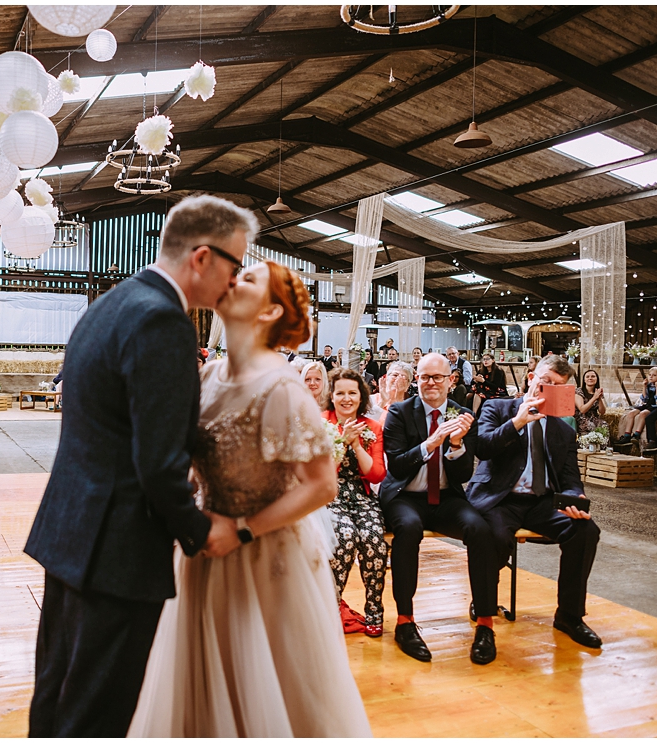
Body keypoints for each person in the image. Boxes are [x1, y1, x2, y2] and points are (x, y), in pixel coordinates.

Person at [24, 194, 250, 736]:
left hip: (72, 534)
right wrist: (201, 532)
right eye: (235, 265)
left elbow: (120, 423)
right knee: (96, 715)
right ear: (201, 257)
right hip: (118, 551)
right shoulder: (163, 322)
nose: (236, 282)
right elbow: (157, 464)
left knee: (56, 698)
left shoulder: (110, 304)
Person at [129, 260, 371, 737]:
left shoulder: (284, 390)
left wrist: (241, 530)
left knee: (269, 691)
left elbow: (322, 486)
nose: (234, 279)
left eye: (250, 279)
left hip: (263, 557)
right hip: (203, 550)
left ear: (269, 313)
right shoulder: (209, 376)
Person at [469, 354, 602, 649]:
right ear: (531, 379)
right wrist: (518, 421)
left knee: (585, 530)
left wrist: (575, 496)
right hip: (499, 498)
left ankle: (569, 615)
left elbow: (569, 476)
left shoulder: (563, 430)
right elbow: (482, 449)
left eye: (558, 385)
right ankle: (485, 620)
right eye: (545, 381)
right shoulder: (497, 408)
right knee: (492, 536)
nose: (549, 387)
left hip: (541, 502)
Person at [380, 353, 498, 665]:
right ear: (416, 380)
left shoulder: (461, 415)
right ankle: (405, 621)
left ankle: (485, 623)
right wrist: (430, 444)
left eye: (438, 377)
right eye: (425, 377)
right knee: (407, 529)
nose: (431, 383)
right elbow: (396, 465)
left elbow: (464, 476)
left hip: (446, 497)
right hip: (406, 496)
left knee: (480, 529)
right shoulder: (400, 412)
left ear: (451, 380)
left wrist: (457, 445)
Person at [322, 366, 388, 638]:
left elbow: (376, 474)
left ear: (361, 397)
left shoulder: (372, 427)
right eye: (340, 393)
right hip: (329, 492)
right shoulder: (321, 423)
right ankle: (330, 609)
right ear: (332, 396)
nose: (346, 399)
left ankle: (374, 610)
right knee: (344, 537)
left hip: (360, 494)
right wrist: (340, 441)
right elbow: (321, 473)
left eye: (352, 393)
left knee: (374, 538)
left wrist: (358, 445)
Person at [617, 367, 657, 445]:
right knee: (631, 413)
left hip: (655, 406)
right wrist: (644, 387)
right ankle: (627, 435)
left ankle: (636, 434)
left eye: (654, 375)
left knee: (643, 414)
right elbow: (645, 399)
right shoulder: (648, 385)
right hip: (647, 404)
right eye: (649, 375)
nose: (651, 377)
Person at [574, 369, 608, 435]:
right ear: (584, 380)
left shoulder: (597, 392)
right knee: (591, 426)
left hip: (594, 418)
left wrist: (599, 398)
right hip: (582, 418)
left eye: (593, 376)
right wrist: (594, 398)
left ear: (596, 379)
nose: (590, 378)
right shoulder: (579, 391)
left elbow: (602, 412)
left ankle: (601, 445)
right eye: (587, 377)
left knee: (604, 425)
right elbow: (582, 410)